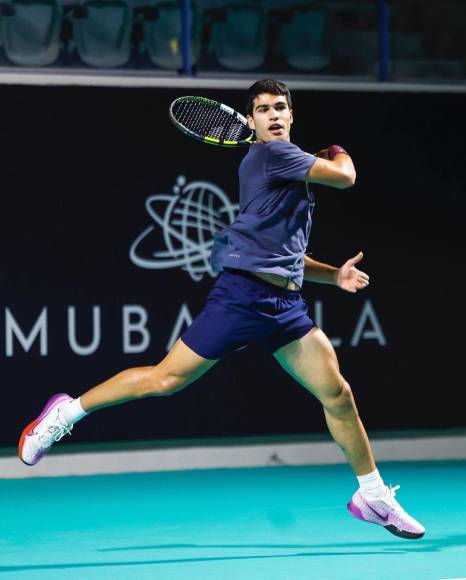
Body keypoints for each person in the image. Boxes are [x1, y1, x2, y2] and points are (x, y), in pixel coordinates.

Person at [19, 79, 425, 540]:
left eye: (279, 108)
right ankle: (65, 414)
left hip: (283, 304)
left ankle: (371, 494)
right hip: (242, 296)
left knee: (338, 395)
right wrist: (338, 149)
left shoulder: (288, 169)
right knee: (165, 380)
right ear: (249, 122)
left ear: (291, 115)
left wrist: (333, 276)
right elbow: (347, 176)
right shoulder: (274, 155)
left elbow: (285, 257)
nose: (272, 116)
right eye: (262, 110)